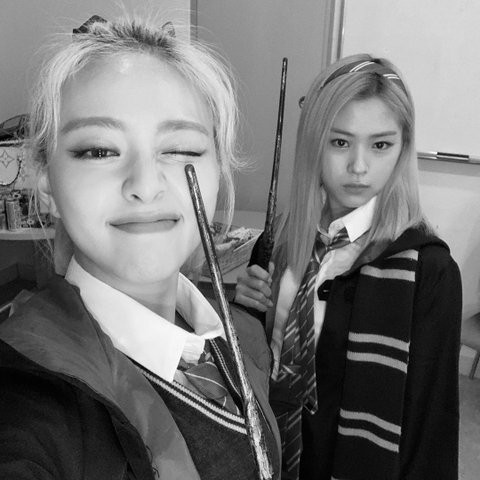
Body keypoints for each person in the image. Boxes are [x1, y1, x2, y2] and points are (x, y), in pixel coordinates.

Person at [0, 15, 281, 480]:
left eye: (181, 149)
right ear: (45, 182)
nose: (146, 186)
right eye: (99, 150)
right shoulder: (31, 401)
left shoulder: (242, 338)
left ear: (219, 170)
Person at [235, 54, 462, 480]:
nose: (359, 167)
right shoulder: (279, 240)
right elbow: (259, 361)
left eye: (380, 145)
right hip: (274, 452)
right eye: (340, 143)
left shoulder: (427, 270)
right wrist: (246, 311)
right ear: (313, 143)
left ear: (402, 148)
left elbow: (431, 422)